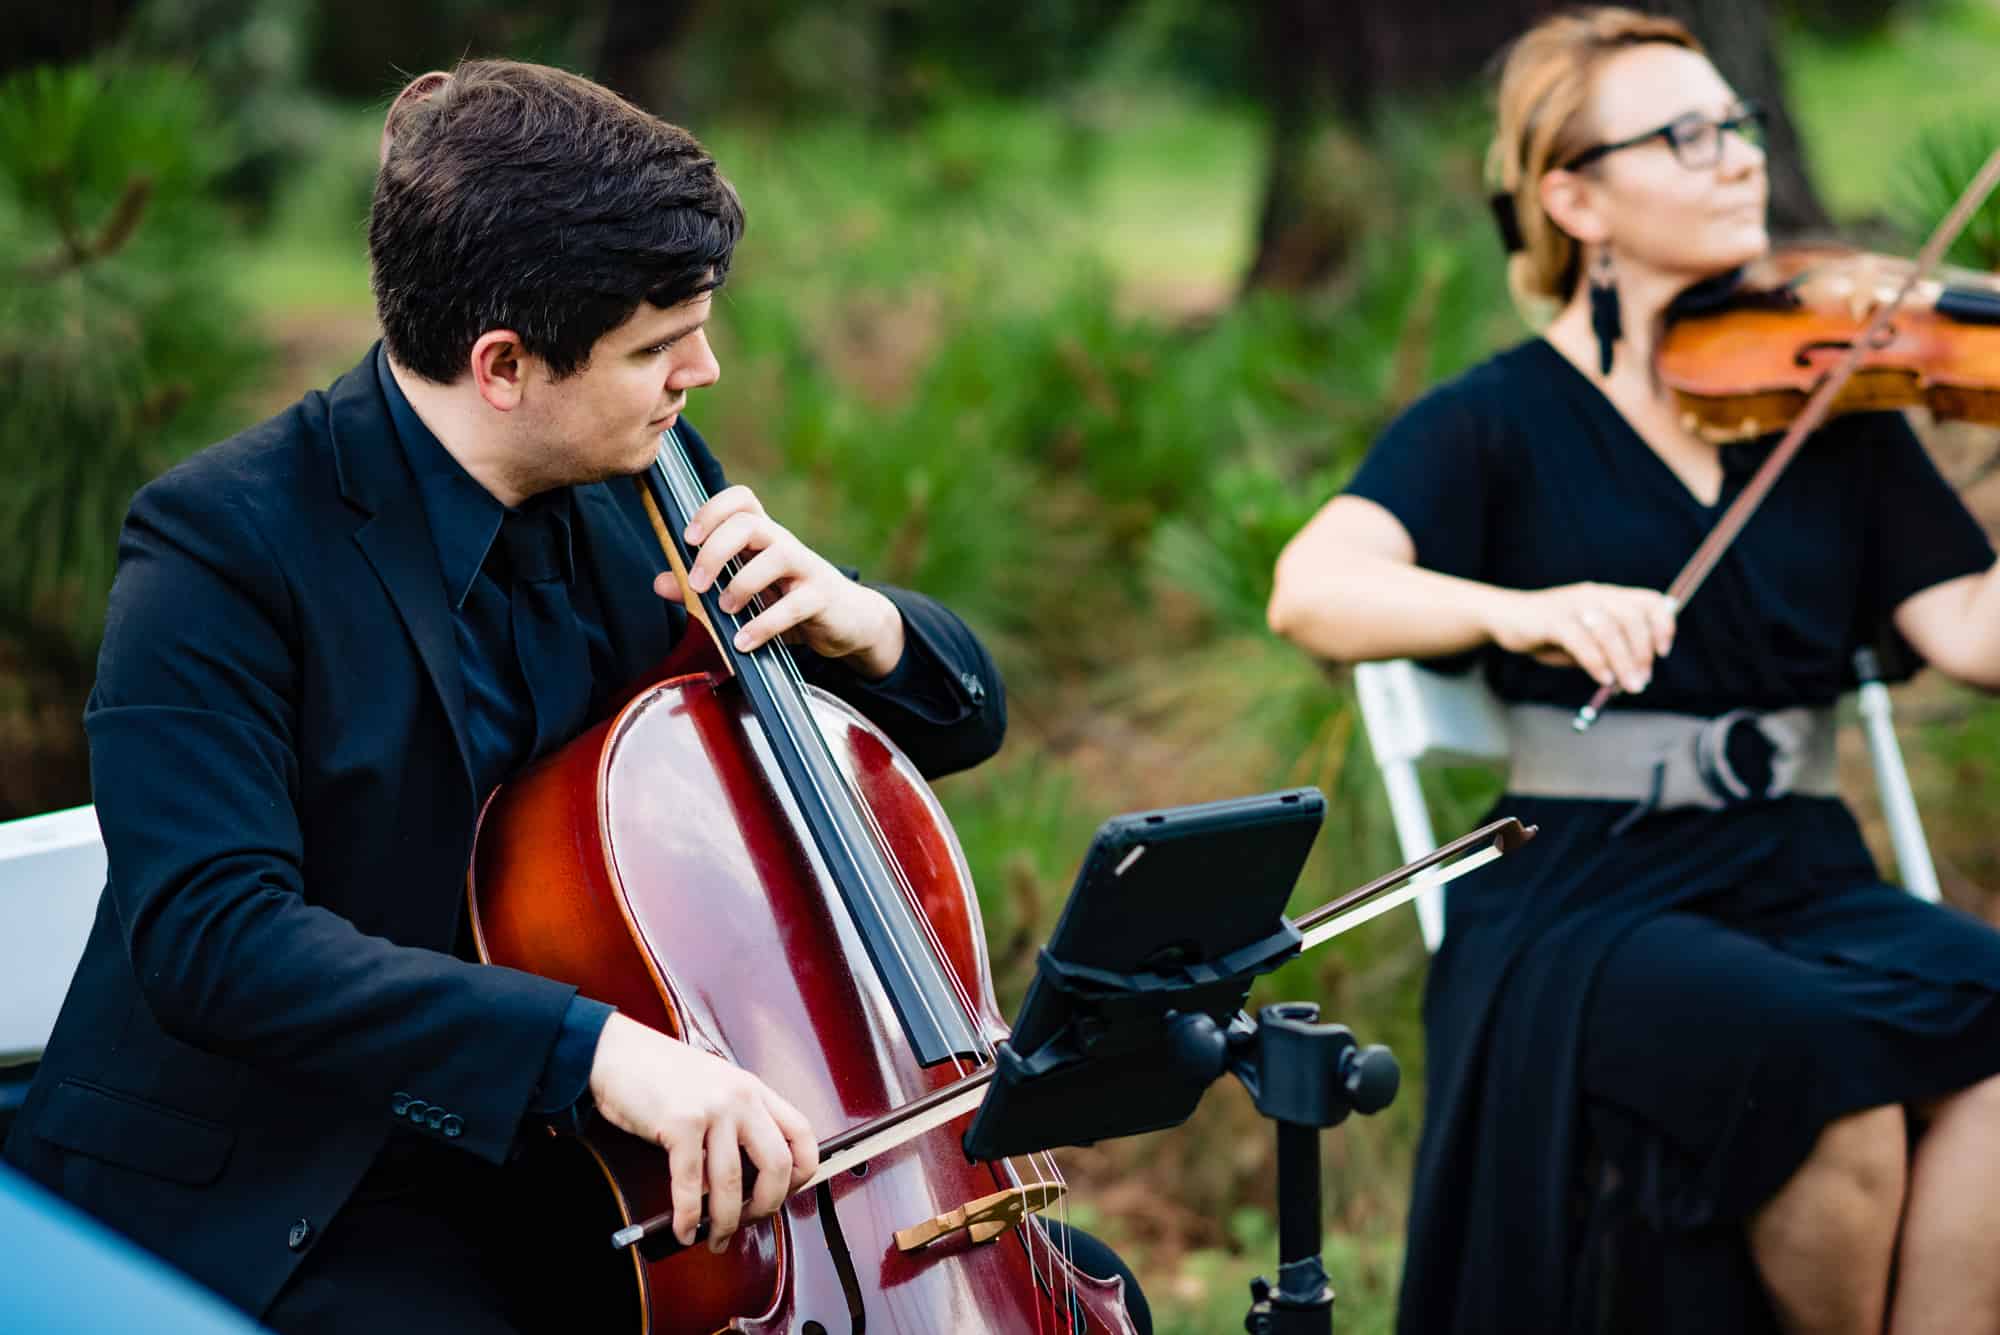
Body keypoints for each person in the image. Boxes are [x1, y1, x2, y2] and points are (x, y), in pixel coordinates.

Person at [4, 60, 1148, 1335]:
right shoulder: (222, 548)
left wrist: (861, 621)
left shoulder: (635, 490)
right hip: (293, 1184)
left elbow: (945, 728)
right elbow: (213, 939)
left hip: (564, 1170)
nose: (701, 372)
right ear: (503, 365)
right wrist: (597, 1051)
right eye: (658, 346)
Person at [1268, 10, 2000, 1334]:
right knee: (1820, 1066)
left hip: (1797, 862)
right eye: (1686, 134)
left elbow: (1974, 633)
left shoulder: (1834, 402)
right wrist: (1523, 608)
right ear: (1574, 197)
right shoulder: (1493, 420)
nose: (1737, 158)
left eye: (1740, 126)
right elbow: (1312, 588)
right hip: (1585, 890)